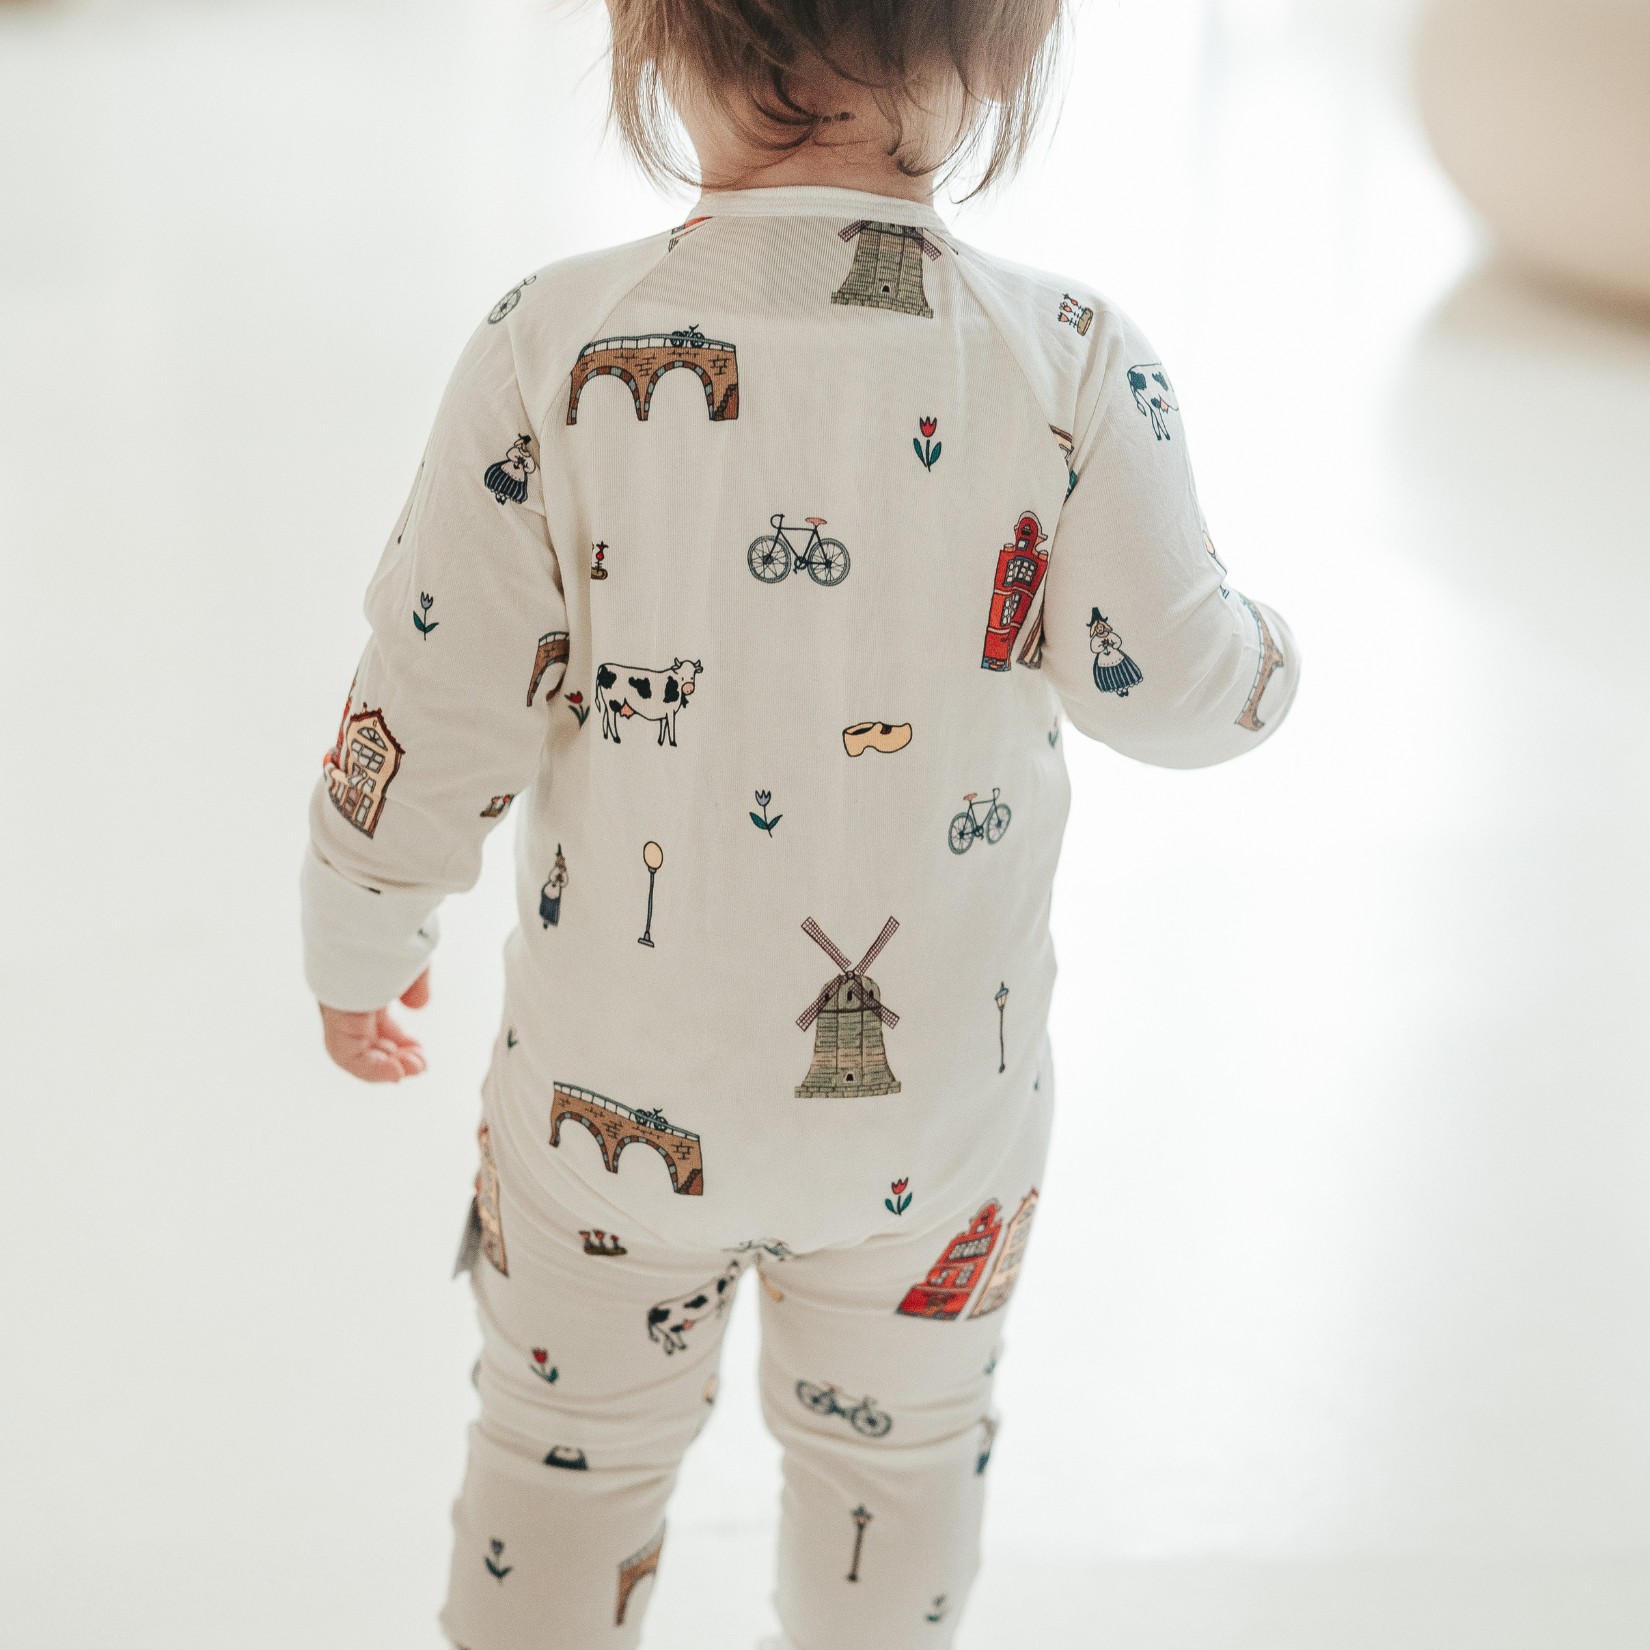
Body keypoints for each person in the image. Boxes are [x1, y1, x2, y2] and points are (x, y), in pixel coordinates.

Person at [301, 1, 1301, 1644]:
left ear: (647, 38)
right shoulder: (1068, 356)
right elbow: (1179, 687)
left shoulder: (550, 342)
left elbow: (426, 705)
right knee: (896, 1462)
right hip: (937, 1126)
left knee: (560, 1454)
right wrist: (1272, 656)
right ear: (1000, 56)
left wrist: (361, 937)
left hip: (603, 1087)